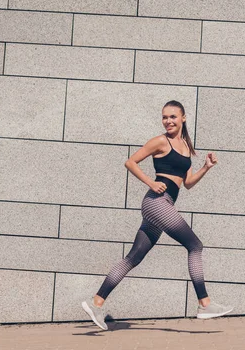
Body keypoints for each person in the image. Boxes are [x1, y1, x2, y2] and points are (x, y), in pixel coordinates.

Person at [81, 100, 233, 331]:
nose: (168, 121)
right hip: (157, 203)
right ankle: (204, 303)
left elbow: (188, 183)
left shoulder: (186, 147)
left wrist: (206, 167)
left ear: (183, 118)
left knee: (133, 258)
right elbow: (130, 162)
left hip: (164, 204)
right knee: (195, 245)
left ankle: (96, 303)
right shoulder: (160, 141)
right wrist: (151, 183)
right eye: (165, 117)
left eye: (173, 116)